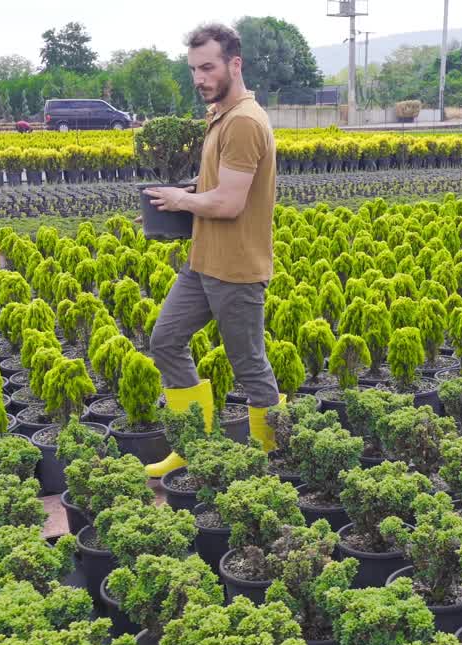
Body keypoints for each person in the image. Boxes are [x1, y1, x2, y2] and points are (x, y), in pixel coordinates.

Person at [141, 22, 282, 477]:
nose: (199, 78)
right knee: (165, 339)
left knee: (248, 364)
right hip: (204, 263)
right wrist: (189, 190)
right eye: (193, 70)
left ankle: (272, 455)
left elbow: (229, 202)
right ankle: (192, 444)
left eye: (207, 67)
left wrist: (183, 200)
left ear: (233, 64)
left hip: (236, 269)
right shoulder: (221, 115)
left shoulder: (242, 121)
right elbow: (217, 186)